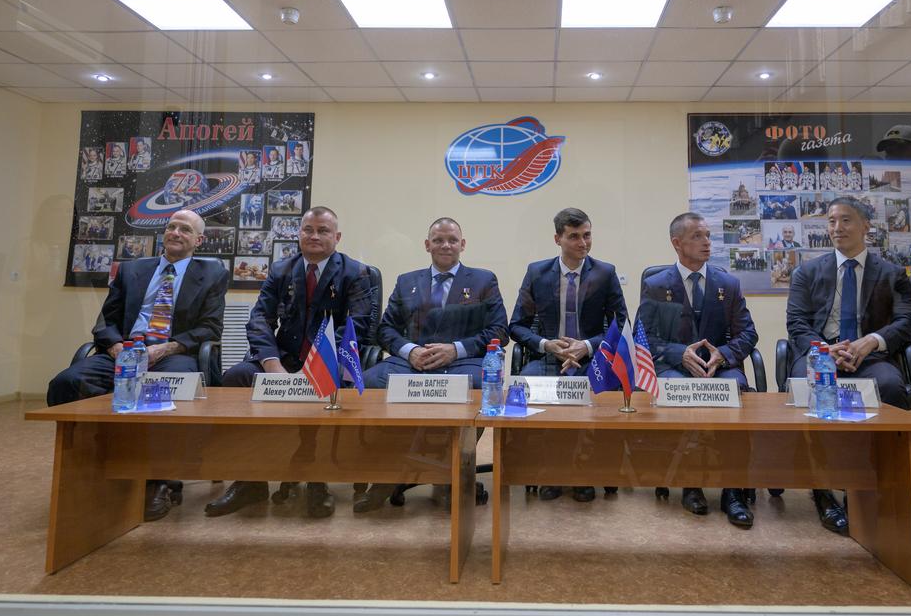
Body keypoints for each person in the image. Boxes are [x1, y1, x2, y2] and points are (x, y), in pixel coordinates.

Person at [47, 209, 229, 521]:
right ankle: (91, 464)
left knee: (164, 392)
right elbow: (106, 321)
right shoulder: (132, 270)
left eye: (184, 229)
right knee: (67, 383)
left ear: (198, 240)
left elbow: (210, 328)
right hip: (125, 350)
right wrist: (117, 347)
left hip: (173, 352)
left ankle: (157, 478)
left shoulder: (211, 274)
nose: (175, 232)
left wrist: (165, 348)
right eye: (171, 226)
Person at [207, 206, 374, 520]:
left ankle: (317, 481)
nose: (314, 236)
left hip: (327, 360)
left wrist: (319, 366)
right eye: (308, 229)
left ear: (336, 237)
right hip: (282, 360)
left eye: (322, 231)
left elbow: (359, 325)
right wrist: (272, 366)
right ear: (298, 234)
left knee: (325, 388)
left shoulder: (356, 273)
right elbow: (259, 319)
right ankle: (249, 480)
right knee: (237, 378)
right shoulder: (281, 269)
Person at [785, 195, 911, 535]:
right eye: (831, 221)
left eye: (845, 220)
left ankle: (875, 478)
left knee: (889, 387)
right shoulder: (806, 272)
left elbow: (907, 322)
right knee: (815, 389)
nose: (836, 228)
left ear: (865, 226)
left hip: (870, 357)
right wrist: (825, 350)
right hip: (822, 356)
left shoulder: (892, 274)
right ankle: (823, 486)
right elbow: (797, 323)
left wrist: (870, 341)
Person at [359, 217, 507, 511]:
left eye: (452, 239)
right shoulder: (406, 282)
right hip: (414, 363)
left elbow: (499, 330)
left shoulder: (483, 280)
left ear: (462, 245)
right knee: (371, 382)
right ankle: (388, 472)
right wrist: (410, 350)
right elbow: (385, 329)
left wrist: (456, 349)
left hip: (462, 363)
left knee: (479, 386)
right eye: (438, 240)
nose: (445, 245)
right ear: (427, 245)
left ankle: (452, 472)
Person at [638, 212, 759, 530]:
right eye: (697, 237)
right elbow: (646, 338)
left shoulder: (727, 284)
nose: (707, 242)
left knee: (737, 390)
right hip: (676, 367)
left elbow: (747, 334)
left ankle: (733, 491)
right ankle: (691, 484)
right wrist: (681, 354)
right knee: (678, 393)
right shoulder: (656, 286)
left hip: (719, 367)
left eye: (708, 235)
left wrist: (723, 354)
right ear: (677, 243)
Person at [508, 208, 627, 503]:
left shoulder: (605, 272)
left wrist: (586, 346)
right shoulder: (537, 273)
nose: (582, 243)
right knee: (523, 392)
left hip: (592, 358)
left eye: (587, 235)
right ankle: (552, 469)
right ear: (557, 238)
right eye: (574, 236)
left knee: (610, 396)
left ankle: (585, 470)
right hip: (549, 356)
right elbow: (516, 326)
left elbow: (618, 323)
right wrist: (547, 344)